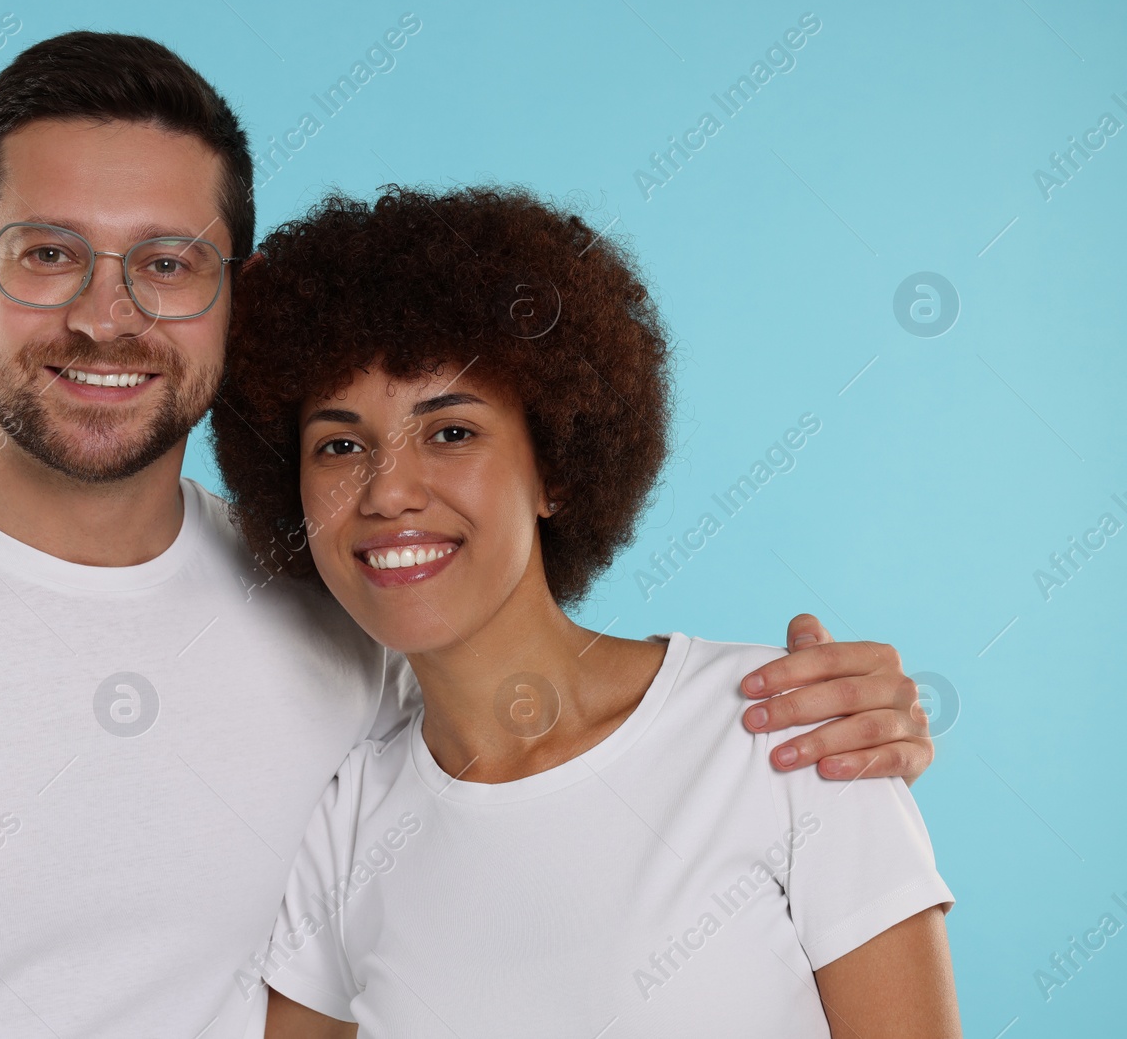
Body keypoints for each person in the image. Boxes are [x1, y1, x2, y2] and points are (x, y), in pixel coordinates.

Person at [0, 35, 934, 1039]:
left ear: (231, 296)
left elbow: (544, 754)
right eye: (46, 252)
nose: (107, 312)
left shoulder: (347, 624)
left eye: (165, 260)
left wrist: (857, 715)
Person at [209, 186, 959, 1037]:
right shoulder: (345, 830)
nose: (389, 491)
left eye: (451, 431)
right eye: (340, 445)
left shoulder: (787, 730)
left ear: (555, 471)